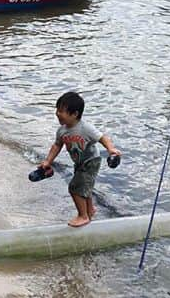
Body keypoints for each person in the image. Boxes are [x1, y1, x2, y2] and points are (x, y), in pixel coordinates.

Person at [37, 91, 121, 228]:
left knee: (75, 188)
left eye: (61, 111)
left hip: (91, 161)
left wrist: (110, 149)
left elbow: (102, 137)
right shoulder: (62, 131)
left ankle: (83, 216)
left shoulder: (85, 128)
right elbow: (57, 145)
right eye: (56, 110)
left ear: (74, 114)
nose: (58, 114)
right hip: (79, 162)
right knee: (84, 187)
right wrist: (48, 161)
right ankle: (90, 210)